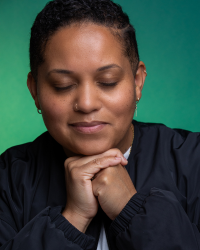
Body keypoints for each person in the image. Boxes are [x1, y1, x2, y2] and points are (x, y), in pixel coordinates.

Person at [0, 0, 200, 249]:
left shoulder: (194, 162)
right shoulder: (8, 179)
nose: (86, 103)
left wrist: (132, 210)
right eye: (62, 85)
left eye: (107, 81)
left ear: (137, 82)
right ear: (35, 90)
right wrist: (72, 219)